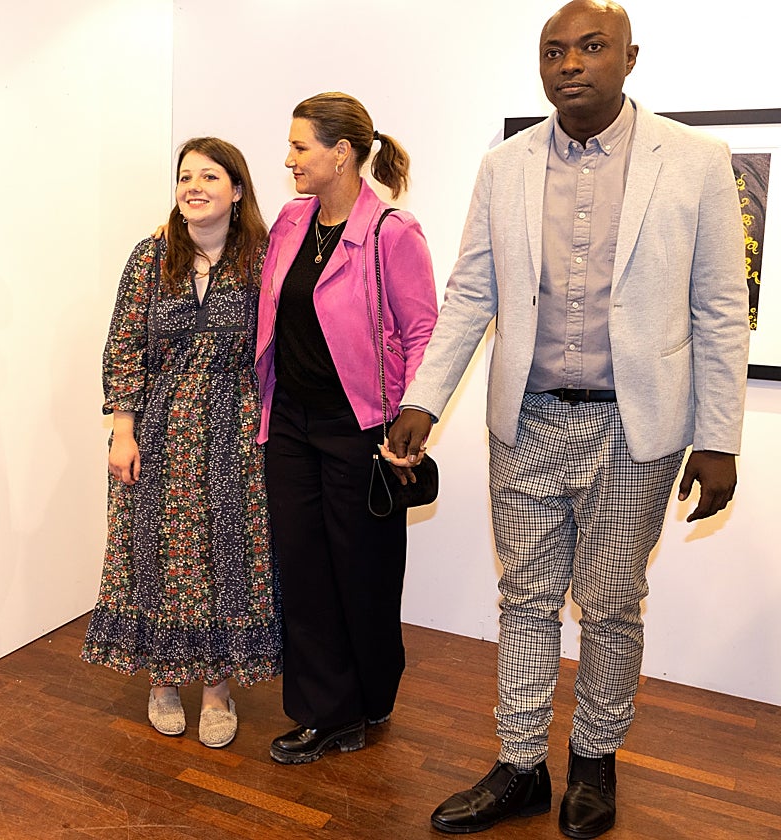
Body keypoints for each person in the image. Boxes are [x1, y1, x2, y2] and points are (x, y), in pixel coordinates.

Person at [382, 3, 749, 836]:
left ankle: (594, 762)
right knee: (525, 600)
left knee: (613, 602)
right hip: (527, 423)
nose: (571, 64)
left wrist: (719, 436)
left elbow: (722, 309)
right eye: (555, 51)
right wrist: (424, 397)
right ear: (539, 65)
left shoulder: (694, 161)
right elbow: (471, 291)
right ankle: (519, 767)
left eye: (591, 47)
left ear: (629, 58)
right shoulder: (503, 166)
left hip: (638, 429)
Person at [255, 92, 438, 764]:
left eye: (301, 147)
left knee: (363, 570)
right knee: (304, 571)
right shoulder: (290, 221)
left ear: (342, 153)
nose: (290, 159)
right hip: (293, 426)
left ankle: (369, 694)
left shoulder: (392, 231)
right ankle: (328, 713)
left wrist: (411, 422)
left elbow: (423, 331)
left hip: (362, 429)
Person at [82, 137, 280, 749]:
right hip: (159, 430)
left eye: (209, 176)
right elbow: (124, 345)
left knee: (226, 558)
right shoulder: (149, 258)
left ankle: (218, 687)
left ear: (238, 190)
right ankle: (163, 681)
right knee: (158, 555)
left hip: (236, 430)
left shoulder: (265, 260)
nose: (194, 187)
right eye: (185, 177)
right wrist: (122, 429)